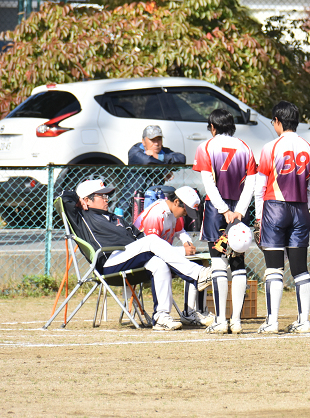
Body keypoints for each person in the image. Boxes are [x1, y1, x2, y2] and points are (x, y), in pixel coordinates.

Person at [61, 179, 213, 331]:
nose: (107, 199)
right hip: (108, 262)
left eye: (107, 196)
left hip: (129, 258)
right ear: (87, 199)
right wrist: (79, 197)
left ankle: (161, 317)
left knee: (158, 264)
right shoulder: (81, 216)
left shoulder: (116, 219)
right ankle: (197, 275)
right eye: (102, 196)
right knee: (152, 240)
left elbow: (139, 237)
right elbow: (62, 197)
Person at [254, 101, 310, 334]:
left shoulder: (270, 147)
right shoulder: (308, 147)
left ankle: (272, 322)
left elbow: (260, 186)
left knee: (274, 269)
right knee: (300, 268)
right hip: (300, 209)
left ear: (277, 122)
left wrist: (258, 216)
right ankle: (304, 321)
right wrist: (304, 206)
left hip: (274, 209)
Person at [193, 109, 257, 334]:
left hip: (216, 210)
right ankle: (236, 321)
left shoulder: (206, 147)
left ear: (212, 126)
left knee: (218, 262)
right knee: (238, 262)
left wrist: (224, 210)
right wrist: (238, 210)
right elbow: (251, 183)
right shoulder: (245, 147)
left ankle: (221, 320)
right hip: (239, 211)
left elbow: (208, 183)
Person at [133, 186, 214, 328]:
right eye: (185, 210)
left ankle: (196, 311)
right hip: (144, 260)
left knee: (199, 262)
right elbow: (153, 247)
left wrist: (187, 243)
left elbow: (180, 230)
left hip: (162, 257)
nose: (184, 214)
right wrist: (183, 252)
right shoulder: (157, 214)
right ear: (176, 202)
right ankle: (186, 314)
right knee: (189, 264)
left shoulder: (173, 212)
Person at [115, 125, 186, 218]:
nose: (156, 143)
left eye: (159, 139)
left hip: (153, 199)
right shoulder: (135, 151)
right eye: (152, 140)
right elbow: (147, 161)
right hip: (131, 201)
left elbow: (181, 159)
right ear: (144, 141)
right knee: (121, 222)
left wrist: (158, 157)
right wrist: (164, 170)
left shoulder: (162, 152)